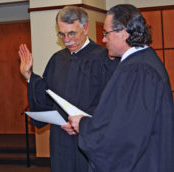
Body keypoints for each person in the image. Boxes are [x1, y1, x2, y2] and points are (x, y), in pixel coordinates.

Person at [69, 4, 174, 172]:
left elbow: (124, 134)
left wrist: (85, 125)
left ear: (124, 33)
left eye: (106, 33)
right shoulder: (142, 62)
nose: (103, 39)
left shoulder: (138, 70)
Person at [18, 6, 119, 172]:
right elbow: (46, 95)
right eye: (62, 34)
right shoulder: (57, 60)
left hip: (90, 138)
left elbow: (112, 103)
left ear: (85, 28)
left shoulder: (105, 59)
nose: (66, 40)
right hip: (61, 139)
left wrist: (83, 123)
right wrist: (29, 75)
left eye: (72, 33)